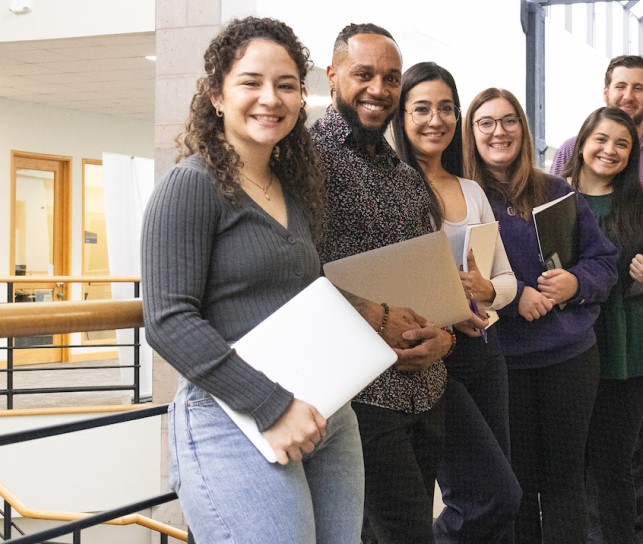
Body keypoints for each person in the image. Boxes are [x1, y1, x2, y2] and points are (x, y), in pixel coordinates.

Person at [142, 17, 363, 543]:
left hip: (324, 410)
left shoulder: (293, 187)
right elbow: (169, 321)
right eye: (251, 82)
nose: (270, 98)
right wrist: (272, 405)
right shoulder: (189, 185)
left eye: (286, 85)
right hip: (234, 414)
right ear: (217, 95)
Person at [311, 24, 454, 544]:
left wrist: (444, 336)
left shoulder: (404, 174)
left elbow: (429, 276)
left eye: (391, 78)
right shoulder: (304, 161)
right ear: (332, 75)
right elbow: (295, 273)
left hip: (426, 389)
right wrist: (376, 315)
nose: (379, 89)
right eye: (364, 74)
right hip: (360, 398)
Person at [552, 55, 643, 543]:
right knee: (568, 467)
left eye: (622, 144)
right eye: (601, 140)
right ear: (581, 144)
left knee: (614, 466)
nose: (609, 151)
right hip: (571, 345)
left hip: (630, 347)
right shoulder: (554, 199)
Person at [463, 87, 619, 543]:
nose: (499, 131)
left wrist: (575, 283)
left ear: (523, 130)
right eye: (486, 122)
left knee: (565, 481)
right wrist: (514, 297)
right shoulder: (464, 197)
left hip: (569, 357)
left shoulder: (556, 191)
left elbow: (604, 263)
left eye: (509, 120)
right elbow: (458, 276)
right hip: (502, 362)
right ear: (471, 132)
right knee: (516, 484)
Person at [391, 61, 522, 543]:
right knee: (492, 494)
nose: (436, 120)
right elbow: (392, 284)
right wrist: (451, 310)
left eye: (446, 108)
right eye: (422, 109)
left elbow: (505, 279)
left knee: (501, 508)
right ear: (402, 116)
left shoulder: (471, 189)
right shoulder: (393, 187)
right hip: (433, 359)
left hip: (485, 353)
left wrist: (488, 294)